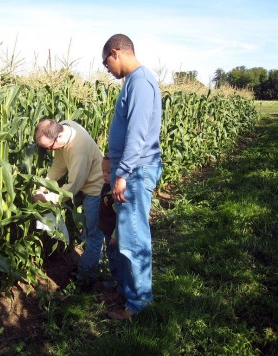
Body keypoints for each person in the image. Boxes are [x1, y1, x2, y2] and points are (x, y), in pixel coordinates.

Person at [102, 34, 163, 320]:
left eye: (106, 64)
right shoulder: (135, 82)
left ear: (116, 53)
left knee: (134, 239)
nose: (108, 70)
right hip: (131, 170)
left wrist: (122, 173)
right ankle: (130, 293)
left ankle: (139, 306)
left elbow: (137, 133)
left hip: (136, 172)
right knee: (125, 237)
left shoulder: (139, 82)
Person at [33, 118, 104, 287]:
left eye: (49, 148)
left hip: (95, 190)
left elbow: (73, 186)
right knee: (87, 231)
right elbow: (58, 165)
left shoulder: (79, 149)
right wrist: (43, 185)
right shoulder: (65, 126)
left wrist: (50, 198)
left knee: (94, 236)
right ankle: (92, 266)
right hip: (84, 187)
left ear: (58, 137)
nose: (49, 152)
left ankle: (85, 279)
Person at [98, 156, 119, 288]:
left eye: (108, 172)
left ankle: (117, 281)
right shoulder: (107, 187)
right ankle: (115, 278)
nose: (104, 175)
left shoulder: (116, 194)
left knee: (115, 256)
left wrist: (115, 236)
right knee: (111, 255)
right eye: (103, 172)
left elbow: (120, 217)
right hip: (107, 230)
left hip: (114, 235)